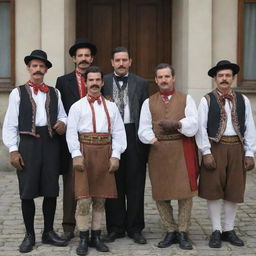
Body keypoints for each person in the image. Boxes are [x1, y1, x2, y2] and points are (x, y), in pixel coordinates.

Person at [2, 50, 68, 253]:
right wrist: (13, 150)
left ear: (46, 69)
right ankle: (29, 234)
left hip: (50, 144)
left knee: (51, 190)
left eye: (41, 66)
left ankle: (48, 232)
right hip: (28, 145)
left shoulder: (55, 92)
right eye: (34, 66)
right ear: (29, 69)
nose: (38, 70)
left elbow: (64, 116)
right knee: (27, 192)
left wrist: (62, 124)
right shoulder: (17, 92)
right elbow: (10, 124)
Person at [66, 66, 127, 255]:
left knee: (100, 199)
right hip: (84, 153)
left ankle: (96, 236)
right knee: (84, 199)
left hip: (104, 153)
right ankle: (83, 237)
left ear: (102, 82)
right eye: (90, 80)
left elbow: (118, 132)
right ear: (86, 83)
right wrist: (76, 154)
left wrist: (116, 155)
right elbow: (70, 133)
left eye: (97, 80)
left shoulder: (111, 107)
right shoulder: (77, 106)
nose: (94, 83)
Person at [196, 60, 256, 248]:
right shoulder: (206, 100)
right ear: (215, 78)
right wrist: (205, 152)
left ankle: (229, 229)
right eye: (220, 76)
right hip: (215, 148)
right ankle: (216, 229)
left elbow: (250, 128)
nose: (224, 79)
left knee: (234, 189)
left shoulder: (243, 100)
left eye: (227, 75)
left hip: (237, 148)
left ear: (233, 78)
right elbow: (200, 128)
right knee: (213, 189)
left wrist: (250, 153)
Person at [138, 63, 198, 250]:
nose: (164, 80)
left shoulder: (186, 99)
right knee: (161, 192)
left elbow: (194, 122)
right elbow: (143, 128)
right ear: (156, 80)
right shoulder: (148, 102)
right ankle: (170, 230)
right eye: (160, 77)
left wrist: (178, 124)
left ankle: (183, 231)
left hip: (182, 148)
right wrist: (153, 140)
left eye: (167, 76)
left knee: (185, 193)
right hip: (158, 150)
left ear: (173, 78)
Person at [102, 46, 149, 244]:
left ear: (130, 61)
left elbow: (146, 111)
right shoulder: (102, 81)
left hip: (134, 134)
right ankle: (115, 227)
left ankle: (135, 227)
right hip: (111, 136)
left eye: (124, 60)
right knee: (114, 182)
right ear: (112, 62)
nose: (121, 63)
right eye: (117, 60)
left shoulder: (141, 82)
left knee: (136, 183)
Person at [55, 38, 97, 241]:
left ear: (92, 58)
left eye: (87, 55)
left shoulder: (99, 79)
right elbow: (59, 110)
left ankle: (94, 228)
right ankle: (68, 226)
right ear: (73, 58)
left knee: (97, 185)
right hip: (71, 142)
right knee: (72, 185)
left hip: (96, 142)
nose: (83, 59)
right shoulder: (63, 82)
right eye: (79, 56)